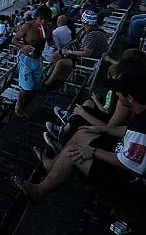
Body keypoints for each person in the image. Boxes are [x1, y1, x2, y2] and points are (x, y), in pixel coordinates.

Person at [11, 71, 146, 204]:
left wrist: (93, 151)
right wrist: (103, 129)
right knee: (83, 133)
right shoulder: (141, 113)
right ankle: (52, 164)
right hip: (121, 151)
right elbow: (129, 131)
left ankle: (39, 192)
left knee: (73, 153)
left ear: (130, 98)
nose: (117, 94)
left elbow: (130, 164)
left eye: (119, 92)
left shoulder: (142, 126)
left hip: (125, 178)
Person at [44, 10, 108, 88]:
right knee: (55, 55)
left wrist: (70, 51)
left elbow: (86, 53)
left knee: (61, 63)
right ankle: (58, 77)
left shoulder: (92, 35)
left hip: (88, 61)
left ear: (85, 22)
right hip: (92, 57)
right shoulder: (99, 31)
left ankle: (48, 83)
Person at [11, 5, 53, 117]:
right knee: (27, 87)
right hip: (25, 59)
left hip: (38, 59)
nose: (43, 21)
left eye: (46, 19)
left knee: (36, 87)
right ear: (37, 17)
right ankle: (18, 105)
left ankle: (25, 106)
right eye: (41, 19)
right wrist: (22, 46)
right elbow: (14, 40)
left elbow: (50, 41)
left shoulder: (48, 27)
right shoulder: (28, 26)